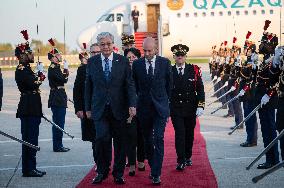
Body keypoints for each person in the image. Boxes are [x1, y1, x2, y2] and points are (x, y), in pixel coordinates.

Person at [85, 32, 136, 185]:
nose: (106, 47)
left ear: (113, 44)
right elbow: (88, 86)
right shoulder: (92, 62)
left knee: (120, 143)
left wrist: (132, 104)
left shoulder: (122, 61)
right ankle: (102, 171)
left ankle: (118, 173)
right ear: (99, 45)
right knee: (101, 139)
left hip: (119, 109)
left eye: (108, 44)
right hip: (99, 109)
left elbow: (129, 84)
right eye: (102, 44)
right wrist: (87, 108)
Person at [132, 37, 172, 185]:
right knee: (147, 140)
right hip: (144, 109)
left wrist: (167, 107)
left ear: (156, 49)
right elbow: (134, 87)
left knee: (158, 138)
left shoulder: (165, 63)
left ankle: (156, 173)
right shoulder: (137, 65)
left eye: (149, 50)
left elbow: (169, 86)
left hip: (160, 108)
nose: (147, 53)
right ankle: (153, 166)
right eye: (145, 51)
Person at [15, 30, 46, 177]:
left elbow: (35, 83)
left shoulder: (27, 69)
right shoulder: (21, 70)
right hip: (28, 109)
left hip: (33, 108)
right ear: (23, 56)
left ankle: (31, 167)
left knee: (33, 138)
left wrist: (39, 73)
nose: (32, 55)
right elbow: (35, 84)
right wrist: (41, 75)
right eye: (29, 53)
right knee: (29, 139)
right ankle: (28, 169)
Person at [169, 44, 205, 171]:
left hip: (190, 108)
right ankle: (181, 160)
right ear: (174, 57)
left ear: (185, 56)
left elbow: (200, 89)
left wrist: (201, 105)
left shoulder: (193, 70)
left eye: (182, 55)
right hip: (176, 108)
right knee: (180, 134)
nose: (180, 57)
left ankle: (188, 156)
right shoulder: (170, 70)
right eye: (177, 55)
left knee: (189, 134)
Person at [73, 43, 96, 162]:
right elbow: (77, 90)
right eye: (93, 53)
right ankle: (100, 166)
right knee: (95, 139)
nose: (95, 55)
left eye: (98, 52)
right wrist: (78, 108)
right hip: (90, 110)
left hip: (106, 109)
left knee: (105, 139)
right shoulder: (83, 69)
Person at [124, 47, 145, 176]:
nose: (131, 60)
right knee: (130, 137)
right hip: (128, 111)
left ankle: (141, 160)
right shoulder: (122, 72)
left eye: (134, 57)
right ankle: (131, 163)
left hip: (143, 109)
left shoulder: (143, 71)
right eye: (128, 58)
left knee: (141, 137)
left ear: (138, 58)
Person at [47, 38, 70, 152]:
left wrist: (65, 70)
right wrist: (66, 69)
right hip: (57, 97)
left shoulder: (56, 68)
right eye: (57, 55)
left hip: (59, 96)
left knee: (60, 122)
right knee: (58, 122)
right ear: (53, 58)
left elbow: (63, 80)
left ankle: (59, 144)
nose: (60, 56)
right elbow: (63, 80)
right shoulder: (53, 69)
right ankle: (57, 146)